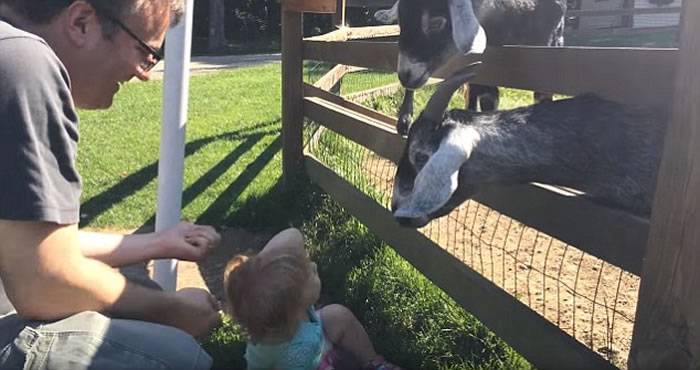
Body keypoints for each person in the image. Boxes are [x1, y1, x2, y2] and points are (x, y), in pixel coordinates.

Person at [0, 1, 222, 368]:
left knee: (139, 296)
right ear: (82, 22)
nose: (145, 73)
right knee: (177, 357)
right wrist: (173, 311)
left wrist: (156, 243)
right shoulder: (24, 64)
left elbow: (33, 247)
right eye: (146, 52)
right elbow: (44, 283)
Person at [224, 228, 403, 370]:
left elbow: (292, 235)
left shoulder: (289, 313)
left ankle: (373, 363)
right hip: (314, 363)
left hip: (317, 347)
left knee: (338, 315)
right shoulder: (280, 353)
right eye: (310, 273)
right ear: (297, 302)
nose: (314, 265)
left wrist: (263, 267)